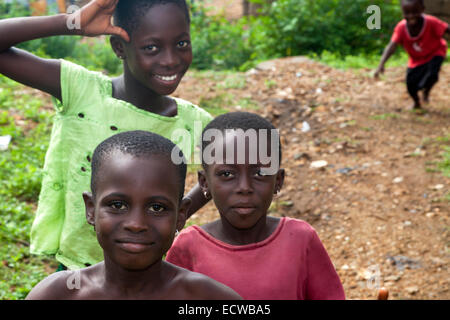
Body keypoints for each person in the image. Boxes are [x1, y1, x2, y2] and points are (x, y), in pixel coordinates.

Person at [0, 0, 212, 270]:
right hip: (78, 272)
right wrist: (71, 23)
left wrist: (177, 214)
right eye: (151, 47)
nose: (170, 60)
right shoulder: (81, 92)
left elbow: (233, 169)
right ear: (119, 47)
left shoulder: (194, 122)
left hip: (149, 276)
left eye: (181, 44)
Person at [25, 130, 242, 300]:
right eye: (117, 205)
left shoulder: (209, 298)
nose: (136, 224)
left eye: (157, 208)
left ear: (180, 215)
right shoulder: (58, 295)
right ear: (91, 209)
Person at [166, 112, 346, 300]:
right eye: (227, 174)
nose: (245, 187)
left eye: (259, 173)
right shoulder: (188, 247)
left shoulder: (301, 239)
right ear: (204, 182)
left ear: (278, 180)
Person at [374, 0, 449, 111]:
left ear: (422, 9)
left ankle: (426, 91)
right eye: (407, 13)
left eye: (415, 12)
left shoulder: (431, 22)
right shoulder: (401, 28)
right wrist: (381, 64)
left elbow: (447, 28)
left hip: (435, 52)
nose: (411, 16)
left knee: (432, 75)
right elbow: (391, 46)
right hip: (416, 59)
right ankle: (416, 102)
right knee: (410, 84)